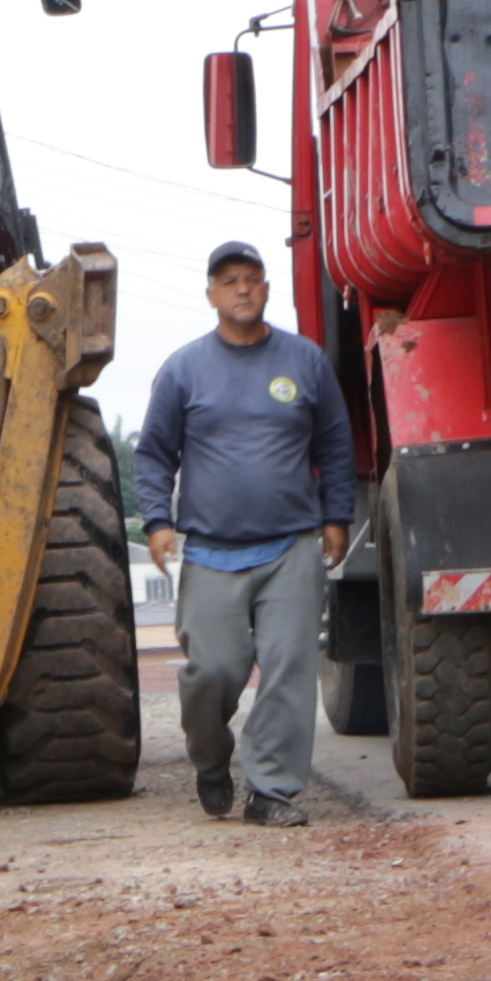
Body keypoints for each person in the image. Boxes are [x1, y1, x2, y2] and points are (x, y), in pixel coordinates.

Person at [132, 239, 360, 828]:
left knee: (288, 668)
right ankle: (210, 759)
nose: (242, 289)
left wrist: (337, 518)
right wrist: (157, 522)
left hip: (292, 546)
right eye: (229, 280)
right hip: (211, 550)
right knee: (213, 670)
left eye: (252, 278)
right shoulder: (184, 369)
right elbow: (153, 453)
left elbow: (336, 446)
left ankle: (272, 791)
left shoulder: (305, 361)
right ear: (211, 293)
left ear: (266, 288)